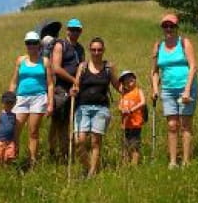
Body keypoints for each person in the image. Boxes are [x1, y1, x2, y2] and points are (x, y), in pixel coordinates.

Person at [150, 13, 198, 169]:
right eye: (165, 26)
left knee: (185, 124)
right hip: (168, 89)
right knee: (171, 125)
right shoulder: (158, 46)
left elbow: (193, 67)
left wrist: (187, 90)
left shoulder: (184, 43)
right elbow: (155, 71)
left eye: (171, 26)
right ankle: (172, 161)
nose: (168, 29)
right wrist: (156, 89)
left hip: (186, 87)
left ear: (177, 27)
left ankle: (186, 161)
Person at [71, 37, 119, 177]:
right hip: (82, 107)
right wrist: (73, 91)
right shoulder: (83, 66)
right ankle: (89, 167)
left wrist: (130, 93)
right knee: (79, 141)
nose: (96, 52)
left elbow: (116, 85)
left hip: (101, 108)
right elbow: (76, 85)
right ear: (89, 50)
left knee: (95, 142)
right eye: (93, 49)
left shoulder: (109, 67)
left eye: (99, 49)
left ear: (103, 50)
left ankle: (91, 173)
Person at [8, 31, 54, 166]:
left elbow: (50, 84)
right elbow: (14, 81)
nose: (31, 46)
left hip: (38, 98)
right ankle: (13, 157)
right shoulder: (20, 60)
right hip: (21, 98)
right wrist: (10, 97)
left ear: (38, 45)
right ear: (25, 44)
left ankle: (32, 161)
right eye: (28, 43)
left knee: (33, 131)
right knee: (15, 129)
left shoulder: (44, 61)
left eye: (34, 43)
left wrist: (50, 104)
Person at [49, 18, 85, 163]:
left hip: (74, 90)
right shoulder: (60, 45)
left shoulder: (80, 48)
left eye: (77, 30)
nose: (74, 32)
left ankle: (65, 153)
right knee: (57, 122)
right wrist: (73, 80)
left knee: (68, 122)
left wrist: (78, 83)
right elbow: (56, 68)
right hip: (61, 88)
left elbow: (82, 66)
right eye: (72, 29)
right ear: (67, 30)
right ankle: (52, 150)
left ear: (80, 31)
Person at [118, 70, 146, 166]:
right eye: (126, 82)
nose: (129, 83)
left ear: (134, 79)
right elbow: (120, 106)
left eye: (131, 80)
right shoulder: (124, 94)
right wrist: (122, 110)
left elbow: (143, 102)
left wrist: (131, 110)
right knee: (125, 145)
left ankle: (134, 165)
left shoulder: (138, 91)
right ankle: (125, 164)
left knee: (134, 145)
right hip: (125, 124)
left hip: (135, 123)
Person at [0, 92, 18, 172]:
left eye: (11, 103)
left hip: (10, 141)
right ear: (3, 102)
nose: (9, 105)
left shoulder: (14, 115)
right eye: (7, 103)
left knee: (9, 158)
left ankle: (5, 172)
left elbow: (15, 129)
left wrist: (16, 142)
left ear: (14, 103)